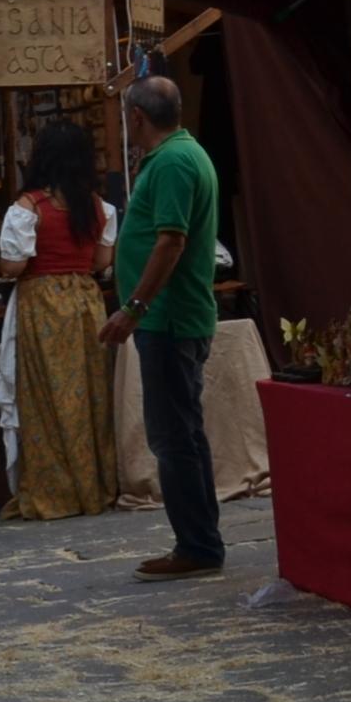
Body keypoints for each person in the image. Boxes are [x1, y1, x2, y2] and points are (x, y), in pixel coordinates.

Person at [99, 78, 225, 578]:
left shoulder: (173, 161)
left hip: (170, 319)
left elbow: (170, 240)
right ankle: (201, 540)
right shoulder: (181, 154)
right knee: (184, 436)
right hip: (175, 316)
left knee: (174, 438)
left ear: (135, 117)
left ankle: (196, 546)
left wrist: (135, 306)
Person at [0, 116, 118, 520]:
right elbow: (102, 262)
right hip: (85, 303)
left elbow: (13, 267)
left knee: (46, 400)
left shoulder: (28, 208)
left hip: (43, 303)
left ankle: (56, 491)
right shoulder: (99, 207)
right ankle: (95, 485)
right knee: (89, 396)